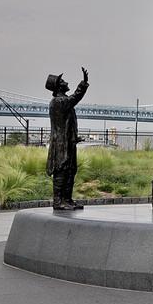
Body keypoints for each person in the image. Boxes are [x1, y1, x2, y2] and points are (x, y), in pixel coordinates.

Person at [46, 68, 89, 211]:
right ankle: (58, 201)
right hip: (61, 144)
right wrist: (83, 83)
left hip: (68, 143)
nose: (66, 82)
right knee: (62, 171)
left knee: (71, 171)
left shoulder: (62, 101)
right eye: (63, 81)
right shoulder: (58, 101)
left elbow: (67, 123)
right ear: (58, 86)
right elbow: (74, 98)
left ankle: (67, 199)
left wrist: (74, 137)